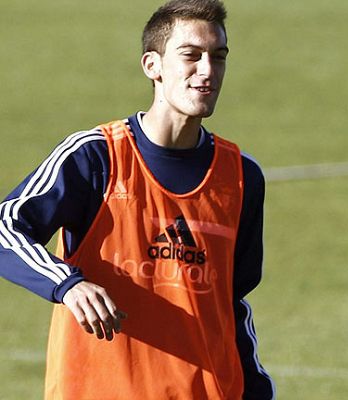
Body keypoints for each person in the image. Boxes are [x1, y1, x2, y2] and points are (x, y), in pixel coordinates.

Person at [0, 0, 275, 398]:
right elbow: (6, 226)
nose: (207, 71)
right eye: (190, 56)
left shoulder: (241, 175)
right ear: (153, 65)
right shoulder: (95, 156)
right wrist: (67, 284)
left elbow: (231, 304)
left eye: (218, 57)